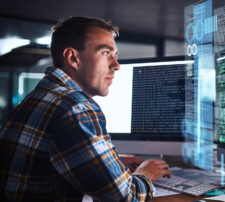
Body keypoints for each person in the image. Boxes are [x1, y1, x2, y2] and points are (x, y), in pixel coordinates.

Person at [0, 16, 171, 202]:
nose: (116, 65)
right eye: (105, 53)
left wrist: (112, 162)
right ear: (73, 58)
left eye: (116, 55)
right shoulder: (75, 106)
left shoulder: (43, 95)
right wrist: (145, 173)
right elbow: (125, 198)